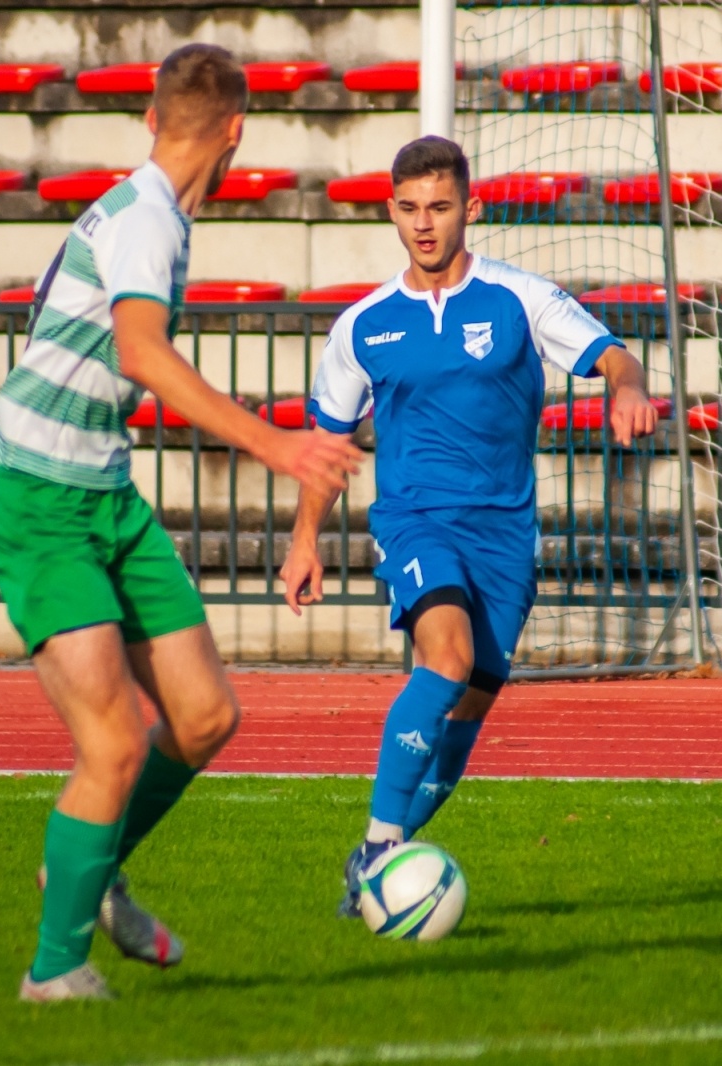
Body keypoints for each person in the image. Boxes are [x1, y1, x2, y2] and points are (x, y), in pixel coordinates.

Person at [0, 44, 362, 1000]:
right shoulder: (146, 221)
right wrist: (275, 446)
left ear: (150, 117)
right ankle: (53, 973)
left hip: (104, 494)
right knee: (109, 744)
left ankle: (89, 870)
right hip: (37, 498)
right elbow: (141, 352)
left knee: (203, 715)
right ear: (237, 133)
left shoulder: (147, 212)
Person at [279, 136, 660, 919]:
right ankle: (385, 846)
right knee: (444, 658)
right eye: (410, 209)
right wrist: (303, 539)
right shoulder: (361, 326)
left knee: (470, 710)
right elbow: (330, 440)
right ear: (392, 211)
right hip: (416, 519)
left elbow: (612, 355)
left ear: (470, 209)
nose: (425, 225)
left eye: (440, 207)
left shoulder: (520, 299)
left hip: (505, 534)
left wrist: (627, 389)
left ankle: (371, 872)